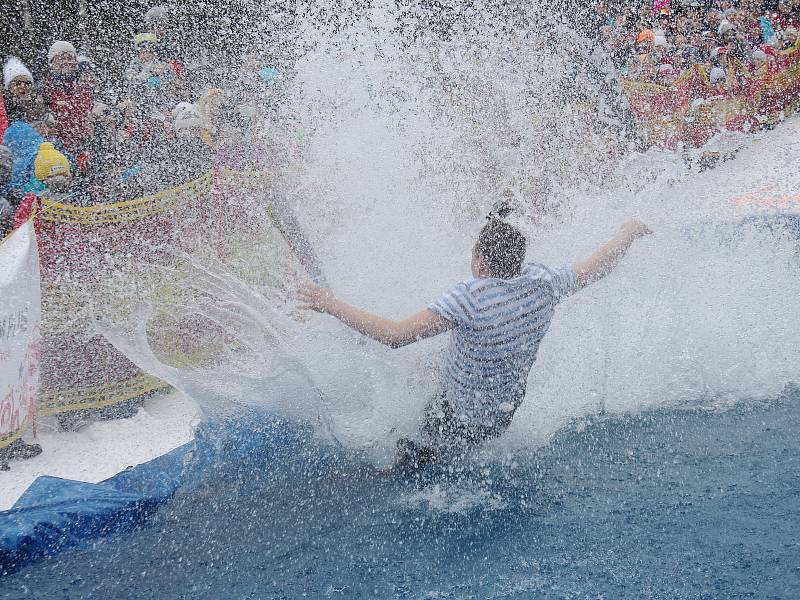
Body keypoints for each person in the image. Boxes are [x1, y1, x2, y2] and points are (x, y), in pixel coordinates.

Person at [297, 215, 652, 467]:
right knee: (429, 366)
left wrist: (331, 305)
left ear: (481, 262)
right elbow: (600, 265)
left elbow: (394, 336)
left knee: (404, 456)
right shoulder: (544, 283)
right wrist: (630, 231)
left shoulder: (470, 298)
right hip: (503, 413)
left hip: (458, 420)